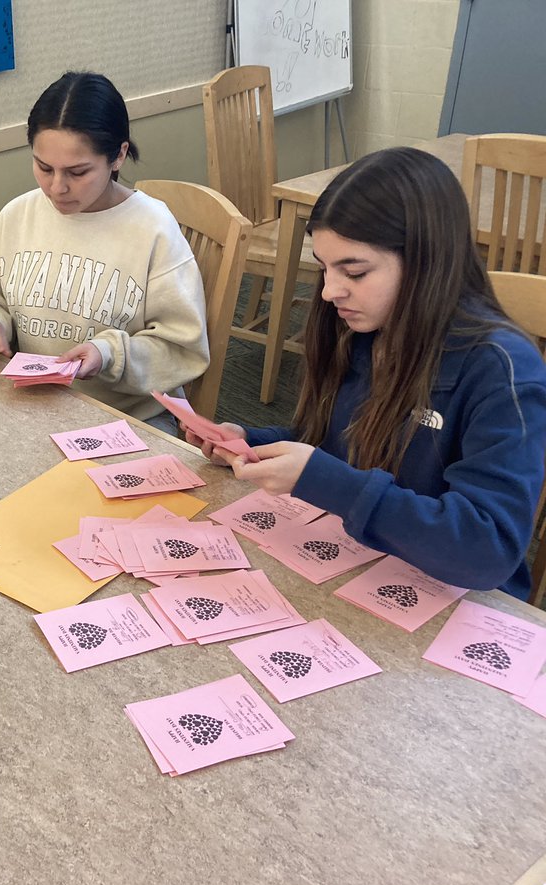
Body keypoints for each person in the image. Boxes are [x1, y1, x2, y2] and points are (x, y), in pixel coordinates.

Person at [187, 147, 546, 599]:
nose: (329, 292)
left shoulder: (500, 368)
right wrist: (250, 443)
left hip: (462, 599)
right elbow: (334, 443)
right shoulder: (361, 328)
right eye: (324, 268)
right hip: (366, 564)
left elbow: (486, 550)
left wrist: (326, 481)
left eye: (354, 272)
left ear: (426, 261)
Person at [0, 71, 209, 427]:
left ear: (118, 155)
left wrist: (107, 354)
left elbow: (181, 350)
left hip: (126, 417)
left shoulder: (153, 229)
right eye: (44, 167)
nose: (57, 187)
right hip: (34, 404)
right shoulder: (18, 215)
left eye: (77, 172)